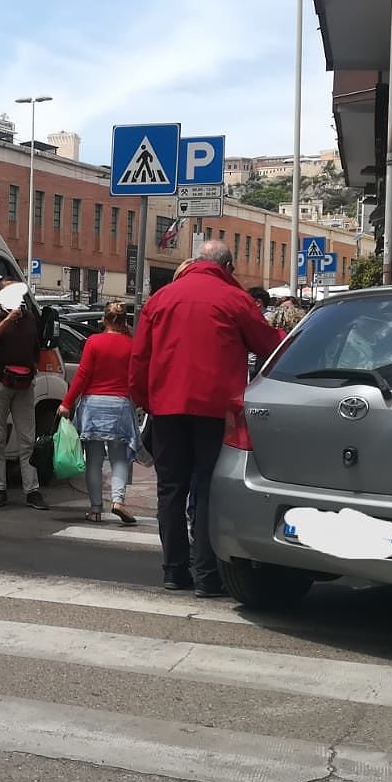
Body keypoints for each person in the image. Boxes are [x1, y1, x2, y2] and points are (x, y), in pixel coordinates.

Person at [130, 239, 282, 596]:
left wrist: (145, 401)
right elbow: (269, 344)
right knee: (208, 488)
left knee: (170, 490)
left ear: (196, 261)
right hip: (216, 411)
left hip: (167, 408)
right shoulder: (235, 300)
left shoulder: (162, 299)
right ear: (227, 267)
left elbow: (139, 359)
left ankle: (173, 570)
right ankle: (206, 575)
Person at [56, 300, 139, 525]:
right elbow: (135, 379)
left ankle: (95, 509)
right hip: (120, 405)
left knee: (93, 460)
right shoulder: (132, 345)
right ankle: (118, 501)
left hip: (93, 406)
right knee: (119, 458)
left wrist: (66, 402)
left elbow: (82, 375)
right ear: (123, 322)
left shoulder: (93, 342)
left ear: (104, 320)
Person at [0, 275, 47, 510]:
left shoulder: (29, 319)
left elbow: (36, 347)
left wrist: (33, 367)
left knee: (28, 438)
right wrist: (7, 319)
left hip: (24, 384)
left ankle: (32, 490)